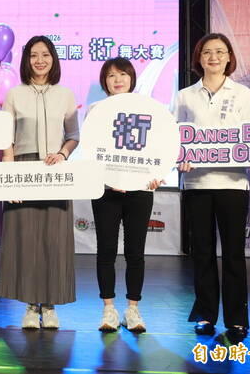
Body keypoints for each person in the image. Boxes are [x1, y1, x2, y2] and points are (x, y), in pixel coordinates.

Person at [173, 33, 250, 340]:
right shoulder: (185, 96)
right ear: (198, 58)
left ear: (229, 58)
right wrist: (180, 157)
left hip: (233, 183)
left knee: (233, 253)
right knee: (201, 252)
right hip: (197, 183)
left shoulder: (241, 93)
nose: (213, 57)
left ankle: (237, 319)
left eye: (220, 51)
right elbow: (174, 137)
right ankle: (205, 314)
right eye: (207, 52)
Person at [0, 35, 80, 329]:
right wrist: (9, 177)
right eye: (34, 55)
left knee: (54, 239)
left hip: (55, 170)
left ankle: (51, 304)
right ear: (26, 60)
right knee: (27, 239)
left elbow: (73, 136)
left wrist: (62, 154)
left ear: (53, 59)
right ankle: (31, 306)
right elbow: (5, 137)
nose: (40, 60)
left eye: (45, 54)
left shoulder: (65, 95)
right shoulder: (14, 94)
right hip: (23, 168)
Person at [90, 57, 163, 333]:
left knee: (135, 252)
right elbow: (91, 151)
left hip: (139, 190)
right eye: (111, 75)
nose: (117, 79)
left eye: (122, 74)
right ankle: (108, 309)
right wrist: (108, 178)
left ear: (132, 78)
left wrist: (156, 173)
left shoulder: (147, 108)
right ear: (104, 82)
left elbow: (158, 148)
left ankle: (133, 309)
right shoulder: (95, 110)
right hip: (105, 191)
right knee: (106, 250)